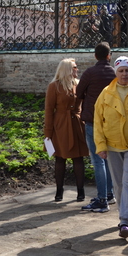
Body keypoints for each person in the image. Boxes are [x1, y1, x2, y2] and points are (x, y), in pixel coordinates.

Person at [94, 56, 128, 238]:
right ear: (116, 72)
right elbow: (98, 122)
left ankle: (125, 220)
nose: (124, 74)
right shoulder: (106, 93)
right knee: (118, 184)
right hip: (112, 146)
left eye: (127, 70)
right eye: (121, 71)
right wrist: (101, 145)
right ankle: (122, 213)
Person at [76, 42, 117, 213]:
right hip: (111, 121)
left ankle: (101, 200)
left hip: (93, 121)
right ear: (109, 56)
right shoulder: (115, 73)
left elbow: (78, 92)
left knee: (97, 159)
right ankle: (109, 194)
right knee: (107, 158)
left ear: (95, 55)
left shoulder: (90, 73)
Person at [44, 58, 89, 202]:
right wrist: (48, 133)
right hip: (60, 125)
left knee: (78, 157)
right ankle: (59, 190)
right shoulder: (54, 86)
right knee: (60, 158)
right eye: (74, 67)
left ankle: (81, 191)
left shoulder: (80, 84)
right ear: (67, 69)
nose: (77, 69)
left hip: (76, 124)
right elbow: (49, 110)